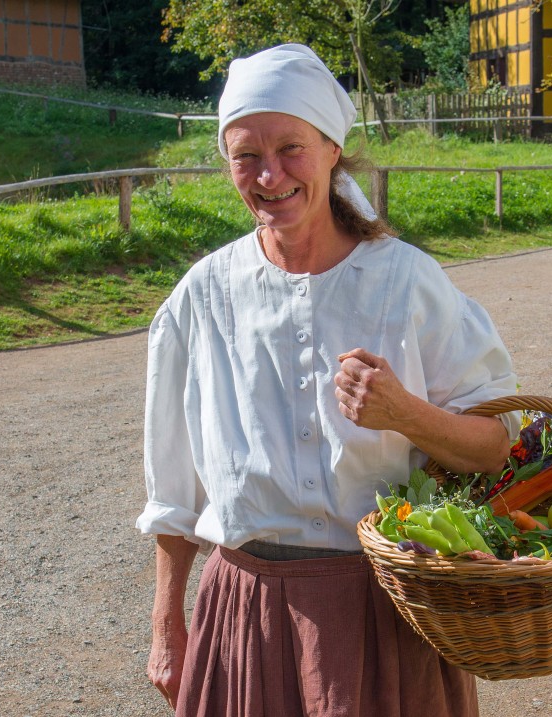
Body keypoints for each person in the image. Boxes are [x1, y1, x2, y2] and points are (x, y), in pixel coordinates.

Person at [135, 43, 519, 717]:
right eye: (245, 155)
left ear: (332, 148)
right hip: (246, 613)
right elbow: (175, 489)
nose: (269, 174)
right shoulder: (201, 299)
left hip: (384, 611)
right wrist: (167, 623)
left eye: (291, 148)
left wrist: (406, 413)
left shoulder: (407, 283)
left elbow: (494, 445)